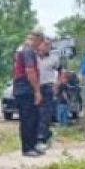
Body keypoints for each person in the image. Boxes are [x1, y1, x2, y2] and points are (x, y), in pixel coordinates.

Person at [12, 29, 46, 158]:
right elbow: (30, 70)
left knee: (33, 118)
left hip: (21, 88)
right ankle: (27, 148)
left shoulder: (21, 49)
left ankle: (32, 145)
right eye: (40, 43)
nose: (39, 46)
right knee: (28, 119)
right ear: (37, 39)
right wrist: (37, 91)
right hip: (25, 89)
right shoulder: (28, 51)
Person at [36, 39, 61, 145]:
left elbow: (61, 71)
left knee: (46, 112)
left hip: (47, 86)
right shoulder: (33, 57)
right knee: (36, 113)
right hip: (35, 87)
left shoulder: (54, 58)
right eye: (44, 45)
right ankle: (42, 133)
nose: (46, 47)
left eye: (48, 45)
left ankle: (42, 136)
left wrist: (57, 84)